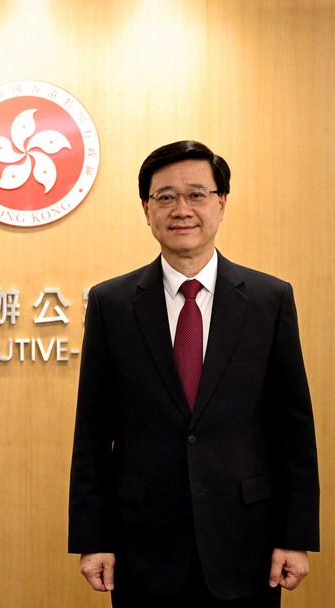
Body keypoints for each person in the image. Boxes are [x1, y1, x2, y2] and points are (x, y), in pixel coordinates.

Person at [68, 141, 319, 607]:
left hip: (248, 543)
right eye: (165, 197)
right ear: (146, 210)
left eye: (196, 194)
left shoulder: (269, 299)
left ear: (221, 203)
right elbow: (93, 433)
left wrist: (296, 535)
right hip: (142, 545)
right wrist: (93, 538)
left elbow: (293, 430)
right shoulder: (111, 304)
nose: (181, 209)